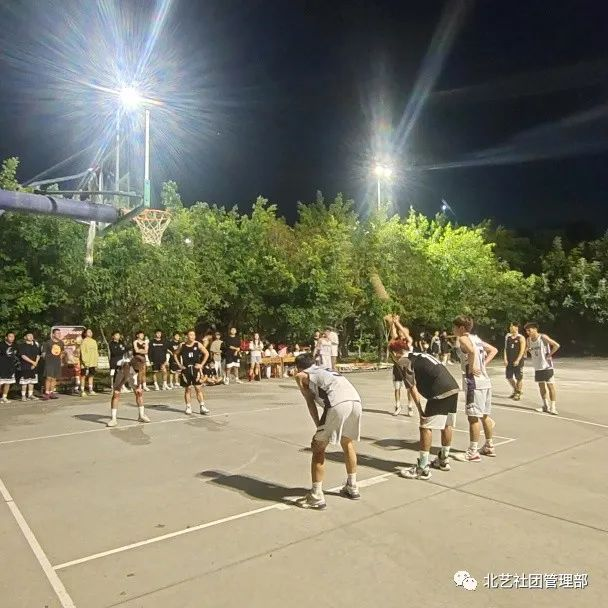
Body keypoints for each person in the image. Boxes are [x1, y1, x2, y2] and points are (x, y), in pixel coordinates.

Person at [294, 353, 362, 509]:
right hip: (356, 402)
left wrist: (319, 427)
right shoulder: (325, 369)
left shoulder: (302, 375)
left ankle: (316, 496)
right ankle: (352, 486)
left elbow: (310, 402)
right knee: (347, 442)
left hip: (338, 404)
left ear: (298, 367)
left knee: (318, 447)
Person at [388, 339, 460, 480]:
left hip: (438, 390)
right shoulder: (419, 354)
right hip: (452, 387)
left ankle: (422, 468)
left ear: (395, 353)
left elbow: (412, 388)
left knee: (425, 427)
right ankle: (443, 459)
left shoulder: (403, 361)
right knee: (447, 424)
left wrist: (420, 410)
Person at [453, 316, 498, 461]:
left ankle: (472, 452)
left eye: (454, 327)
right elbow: (494, 350)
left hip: (474, 383)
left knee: (473, 418)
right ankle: (489, 446)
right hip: (485, 381)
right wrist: (483, 364)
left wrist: (472, 367)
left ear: (461, 328)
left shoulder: (463, 339)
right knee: (484, 415)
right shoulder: (476, 338)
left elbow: (471, 351)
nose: (453, 330)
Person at [524, 322, 560, 415]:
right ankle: (545, 406)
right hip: (537, 367)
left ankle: (553, 407)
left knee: (550, 386)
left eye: (529, 330)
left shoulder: (542, 337)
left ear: (535, 329)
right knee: (541, 386)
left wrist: (549, 355)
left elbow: (556, 345)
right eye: (527, 331)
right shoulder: (528, 340)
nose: (528, 332)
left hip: (547, 366)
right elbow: (529, 348)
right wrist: (526, 352)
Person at [106, 354, 150, 427]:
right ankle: (113, 419)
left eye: (143, 364)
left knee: (139, 393)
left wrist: (139, 386)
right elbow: (126, 378)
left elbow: (140, 376)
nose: (142, 366)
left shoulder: (142, 365)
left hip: (132, 374)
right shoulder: (127, 364)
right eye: (141, 364)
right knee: (116, 394)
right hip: (121, 374)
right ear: (135, 362)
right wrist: (119, 387)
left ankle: (141, 416)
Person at [174, 330, 209, 415]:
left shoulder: (198, 344)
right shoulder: (182, 345)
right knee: (188, 389)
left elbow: (206, 353)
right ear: (187, 336)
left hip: (195, 368)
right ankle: (188, 407)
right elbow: (175, 354)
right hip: (186, 369)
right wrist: (179, 364)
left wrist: (201, 365)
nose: (192, 336)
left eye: (193, 335)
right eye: (190, 335)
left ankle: (202, 406)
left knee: (198, 388)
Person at [385, 315, 414, 415]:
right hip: (397, 367)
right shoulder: (396, 340)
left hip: (407, 367)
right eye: (400, 331)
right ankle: (398, 406)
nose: (401, 332)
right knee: (397, 388)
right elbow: (393, 331)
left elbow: (404, 332)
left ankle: (410, 406)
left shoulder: (409, 341)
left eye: (403, 331)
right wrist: (391, 322)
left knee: (409, 388)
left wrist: (397, 322)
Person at [504, 322, 526, 401]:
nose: (510, 327)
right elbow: (505, 349)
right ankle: (516, 390)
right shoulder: (508, 337)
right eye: (510, 326)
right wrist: (505, 359)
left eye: (512, 326)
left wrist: (518, 360)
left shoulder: (521, 337)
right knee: (509, 377)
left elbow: (522, 350)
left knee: (518, 378)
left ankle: (517, 393)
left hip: (518, 361)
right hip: (509, 360)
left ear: (516, 327)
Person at [42, 328, 65, 400]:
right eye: (57, 333)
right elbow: (43, 353)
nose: (59, 334)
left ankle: (52, 393)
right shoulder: (47, 342)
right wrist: (46, 360)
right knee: (49, 377)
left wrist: (61, 360)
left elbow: (62, 352)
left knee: (54, 378)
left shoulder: (61, 343)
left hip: (57, 363)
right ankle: (46, 393)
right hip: (49, 363)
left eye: (60, 333)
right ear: (53, 334)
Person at [17, 332, 41, 401]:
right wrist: (32, 362)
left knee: (32, 381)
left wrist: (35, 363)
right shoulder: (22, 346)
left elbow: (38, 355)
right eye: (29, 335)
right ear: (25, 337)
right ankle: (23, 396)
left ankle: (30, 395)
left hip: (34, 366)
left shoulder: (36, 345)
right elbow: (23, 356)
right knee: (24, 382)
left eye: (32, 335)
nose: (31, 336)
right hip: (25, 366)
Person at [79, 328, 99, 396]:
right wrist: (85, 362)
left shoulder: (94, 341)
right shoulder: (83, 341)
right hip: (85, 363)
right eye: (88, 332)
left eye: (91, 332)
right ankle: (82, 391)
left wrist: (96, 361)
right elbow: (82, 352)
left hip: (92, 362)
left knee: (91, 376)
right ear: (85, 334)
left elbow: (96, 352)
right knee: (83, 376)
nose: (90, 333)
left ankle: (91, 390)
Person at [0, 331, 18, 403]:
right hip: (2, 367)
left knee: (8, 383)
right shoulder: (1, 345)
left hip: (11, 367)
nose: (12, 338)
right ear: (6, 337)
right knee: (0, 383)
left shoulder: (15, 345)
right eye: (10, 336)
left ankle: (4, 397)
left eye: (13, 337)